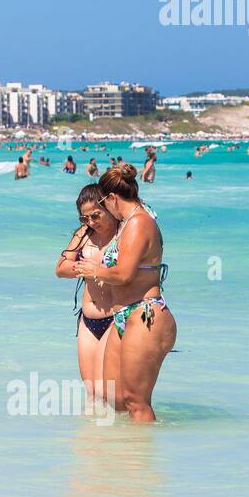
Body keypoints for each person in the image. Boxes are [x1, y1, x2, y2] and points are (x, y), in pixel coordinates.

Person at [73, 165, 176, 422]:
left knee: (136, 401)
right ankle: (126, 454)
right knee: (115, 399)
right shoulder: (128, 222)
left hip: (145, 314)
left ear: (111, 198)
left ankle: (140, 460)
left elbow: (124, 274)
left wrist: (93, 269)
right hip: (124, 315)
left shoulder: (140, 222)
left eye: (104, 205)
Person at [55, 184, 119, 404]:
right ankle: (91, 437)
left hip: (114, 318)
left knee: (106, 389)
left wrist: (99, 269)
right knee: (91, 391)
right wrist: (85, 269)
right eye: (84, 218)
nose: (90, 222)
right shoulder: (83, 234)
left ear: (108, 207)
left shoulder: (124, 233)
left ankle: (123, 435)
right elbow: (60, 268)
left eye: (95, 215)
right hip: (88, 320)